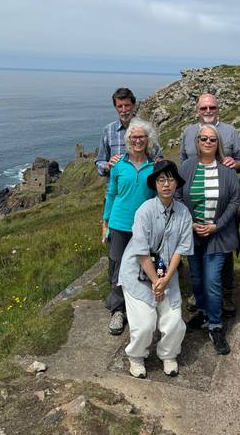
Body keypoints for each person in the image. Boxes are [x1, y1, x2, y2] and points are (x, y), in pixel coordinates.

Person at [118, 160, 193, 379]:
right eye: (161, 180)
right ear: (155, 185)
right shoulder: (145, 211)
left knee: (174, 322)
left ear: (177, 183)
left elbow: (181, 249)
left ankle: (168, 354)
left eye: (170, 179)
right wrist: (155, 282)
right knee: (144, 324)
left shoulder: (183, 213)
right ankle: (136, 357)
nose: (166, 184)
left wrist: (165, 280)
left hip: (166, 275)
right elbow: (141, 251)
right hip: (138, 274)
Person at [177, 125, 240, 355]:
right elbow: (177, 197)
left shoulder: (227, 170)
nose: (207, 142)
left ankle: (215, 325)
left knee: (213, 281)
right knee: (196, 278)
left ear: (218, 143)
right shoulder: (186, 168)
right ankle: (203, 312)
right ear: (197, 142)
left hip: (218, 236)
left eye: (212, 139)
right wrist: (190, 222)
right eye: (203, 138)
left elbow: (234, 201)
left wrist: (216, 226)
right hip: (192, 234)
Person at [180, 93, 240, 316]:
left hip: (222, 199)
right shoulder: (188, 132)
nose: (208, 111)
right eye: (204, 108)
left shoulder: (230, 131)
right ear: (198, 109)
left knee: (221, 261)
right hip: (195, 209)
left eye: (212, 107)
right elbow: (182, 166)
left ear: (218, 108)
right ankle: (203, 302)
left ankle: (224, 296)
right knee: (199, 273)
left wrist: (234, 164)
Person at [102, 117, 159, 336]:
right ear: (128, 140)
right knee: (117, 267)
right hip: (119, 224)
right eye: (134, 137)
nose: (137, 141)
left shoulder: (154, 167)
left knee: (143, 266)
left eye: (141, 137)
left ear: (148, 139)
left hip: (144, 226)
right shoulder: (118, 166)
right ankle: (118, 311)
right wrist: (105, 223)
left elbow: (156, 198)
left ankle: (141, 306)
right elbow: (111, 194)